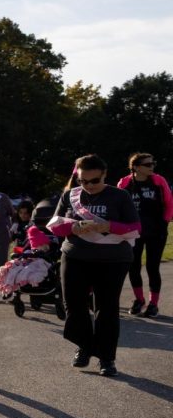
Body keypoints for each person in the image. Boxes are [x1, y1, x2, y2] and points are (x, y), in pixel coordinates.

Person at [48, 154, 140, 376]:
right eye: (82, 181)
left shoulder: (120, 196)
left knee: (106, 309)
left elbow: (135, 227)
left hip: (113, 260)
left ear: (104, 175)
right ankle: (85, 346)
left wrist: (108, 225)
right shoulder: (70, 195)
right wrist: (73, 227)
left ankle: (106, 359)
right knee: (74, 305)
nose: (88, 186)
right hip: (75, 256)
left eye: (93, 181)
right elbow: (54, 225)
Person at [118, 153, 171, 318]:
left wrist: (164, 222)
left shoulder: (158, 181)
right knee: (133, 266)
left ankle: (153, 304)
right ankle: (139, 300)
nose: (152, 167)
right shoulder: (124, 183)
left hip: (156, 231)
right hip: (133, 232)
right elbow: (118, 206)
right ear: (136, 167)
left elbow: (169, 204)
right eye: (148, 164)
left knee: (152, 267)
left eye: (153, 164)